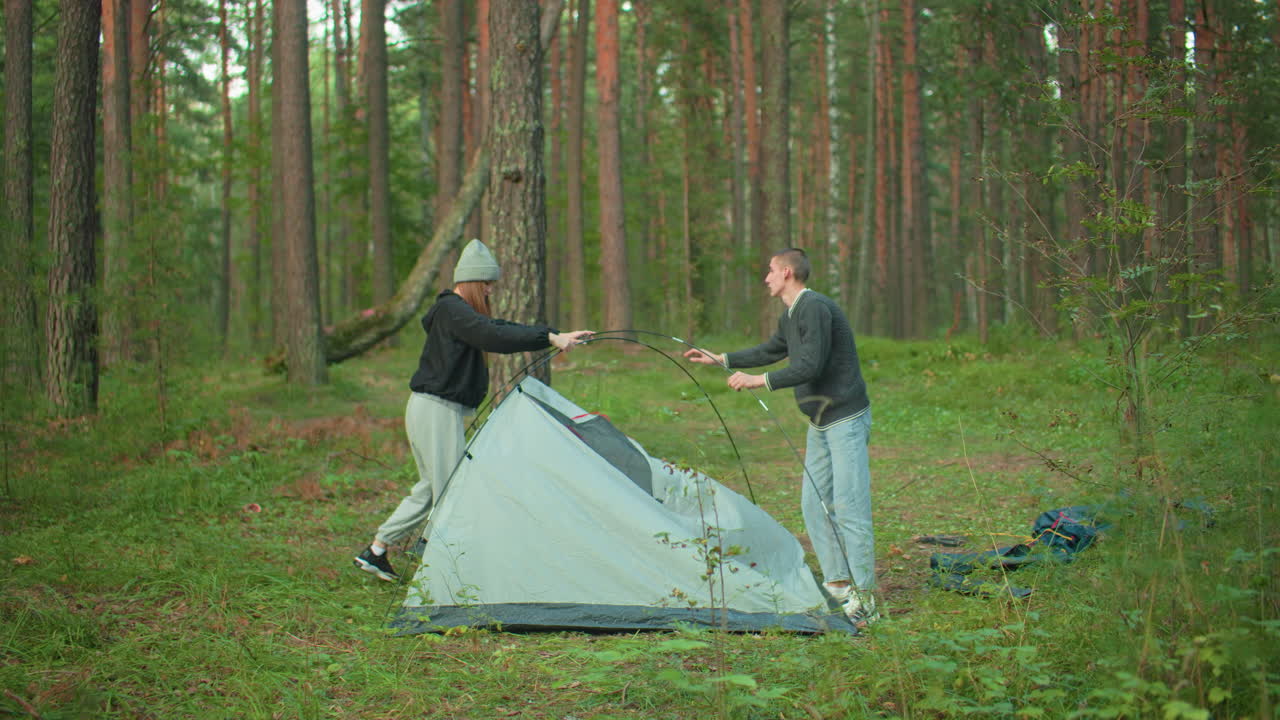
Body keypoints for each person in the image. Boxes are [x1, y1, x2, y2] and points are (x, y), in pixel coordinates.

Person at [354, 238, 593, 582]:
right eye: (488, 285)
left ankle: (377, 550)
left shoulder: (456, 314)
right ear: (473, 282)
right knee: (452, 488)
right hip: (436, 409)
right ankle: (443, 567)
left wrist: (553, 335)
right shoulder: (453, 310)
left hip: (431, 408)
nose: (491, 291)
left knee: (429, 487)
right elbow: (491, 334)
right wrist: (548, 338)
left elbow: (501, 328)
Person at [682, 248, 877, 625]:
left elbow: (810, 364)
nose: (766, 278)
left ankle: (865, 601)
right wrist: (722, 358)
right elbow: (772, 349)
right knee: (814, 504)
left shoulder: (814, 307)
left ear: (787, 272)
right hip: (819, 422)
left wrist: (760, 381)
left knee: (850, 508)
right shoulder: (791, 314)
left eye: (770, 271)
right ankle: (838, 586)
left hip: (845, 418)